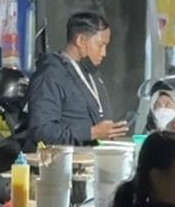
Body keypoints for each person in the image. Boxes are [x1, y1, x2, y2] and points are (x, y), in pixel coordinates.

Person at [25, 12, 128, 147]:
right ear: (81, 41)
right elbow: (41, 131)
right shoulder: (50, 75)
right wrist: (91, 133)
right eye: (100, 45)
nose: (104, 53)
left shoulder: (90, 73)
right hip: (61, 164)